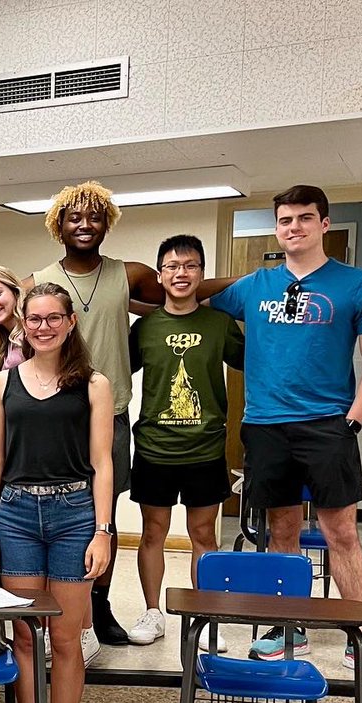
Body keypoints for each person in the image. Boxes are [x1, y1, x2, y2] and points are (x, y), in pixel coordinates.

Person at [27, 181, 236, 655]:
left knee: (105, 514)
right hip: (58, 417)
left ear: (108, 223)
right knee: (61, 513)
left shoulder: (130, 274)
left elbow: (181, 290)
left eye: (94, 216)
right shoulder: (40, 278)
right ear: (58, 225)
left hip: (114, 415)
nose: (85, 224)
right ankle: (64, 613)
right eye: (74, 217)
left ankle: (99, 608)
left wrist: (257, 281)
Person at [208, 185, 362, 671]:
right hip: (265, 426)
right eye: (285, 220)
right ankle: (289, 627)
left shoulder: (359, 285)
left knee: (340, 530)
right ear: (277, 228)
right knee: (281, 529)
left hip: (329, 424)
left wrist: (353, 420)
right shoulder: (254, 286)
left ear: (324, 224)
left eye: (305, 218)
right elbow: (184, 300)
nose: (294, 227)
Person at [0, 282, 114, 703]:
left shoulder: (93, 384)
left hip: (75, 515)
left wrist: (103, 531)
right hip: (16, 516)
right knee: (25, 636)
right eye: (34, 319)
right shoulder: (2, 383)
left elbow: (102, 463)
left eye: (54, 317)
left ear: (70, 322)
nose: (43, 327)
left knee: (64, 637)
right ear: (23, 324)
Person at [127, 235, 244, 649]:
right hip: (154, 448)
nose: (181, 273)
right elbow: (114, 373)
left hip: (205, 449)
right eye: (172, 266)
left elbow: (256, 361)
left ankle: (206, 617)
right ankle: (152, 612)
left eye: (190, 265)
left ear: (201, 274)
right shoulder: (145, 328)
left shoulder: (219, 324)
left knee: (203, 535)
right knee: (152, 533)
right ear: (160, 275)